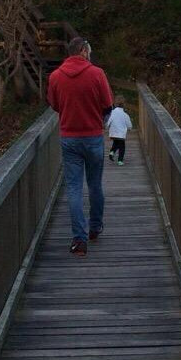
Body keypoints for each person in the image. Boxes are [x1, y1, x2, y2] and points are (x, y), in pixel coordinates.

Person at [47, 37, 113, 256]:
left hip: (69, 138)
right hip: (93, 136)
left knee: (74, 188)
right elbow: (107, 104)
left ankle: (79, 239)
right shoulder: (97, 73)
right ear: (84, 51)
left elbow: (54, 104)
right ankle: (95, 227)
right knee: (95, 184)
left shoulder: (56, 76)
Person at [106, 97, 133, 165]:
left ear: (115, 104)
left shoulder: (112, 112)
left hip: (113, 132)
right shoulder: (125, 115)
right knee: (122, 146)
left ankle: (112, 152)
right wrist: (130, 128)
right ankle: (120, 161)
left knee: (116, 142)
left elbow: (108, 121)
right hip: (121, 134)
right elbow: (129, 125)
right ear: (124, 105)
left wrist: (107, 126)